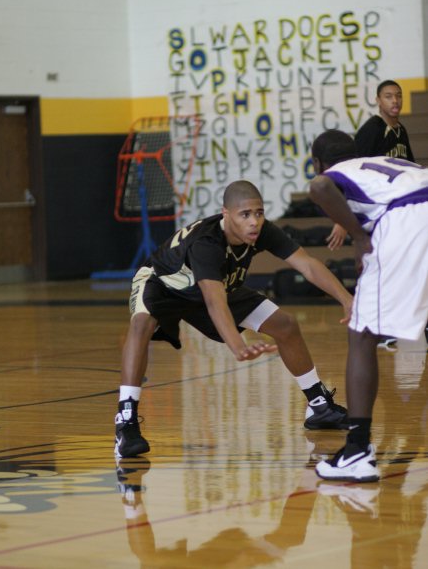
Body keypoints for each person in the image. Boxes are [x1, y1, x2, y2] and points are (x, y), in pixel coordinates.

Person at [115, 180, 354, 459]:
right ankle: (126, 420)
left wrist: (347, 299)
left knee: (285, 325)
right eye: (245, 214)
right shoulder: (207, 244)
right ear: (226, 214)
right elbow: (215, 301)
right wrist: (237, 345)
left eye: (259, 212)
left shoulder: (262, 231)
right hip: (163, 285)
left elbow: (308, 265)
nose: (254, 221)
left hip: (213, 286)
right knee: (141, 324)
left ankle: (318, 405)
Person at [310, 129, 428, 482]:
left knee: (362, 334)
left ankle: (357, 450)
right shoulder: (390, 162)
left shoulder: (333, 174)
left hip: (407, 219)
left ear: (318, 161)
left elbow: (319, 188)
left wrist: (360, 238)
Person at [329, 79, 416, 351]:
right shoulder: (371, 130)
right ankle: (379, 327)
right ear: (378, 101)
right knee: (381, 267)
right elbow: (350, 169)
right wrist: (342, 219)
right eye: (389, 96)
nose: (395, 101)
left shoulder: (400, 131)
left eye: (398, 96)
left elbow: (410, 168)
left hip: (396, 211)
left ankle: (399, 324)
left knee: (402, 265)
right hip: (372, 209)